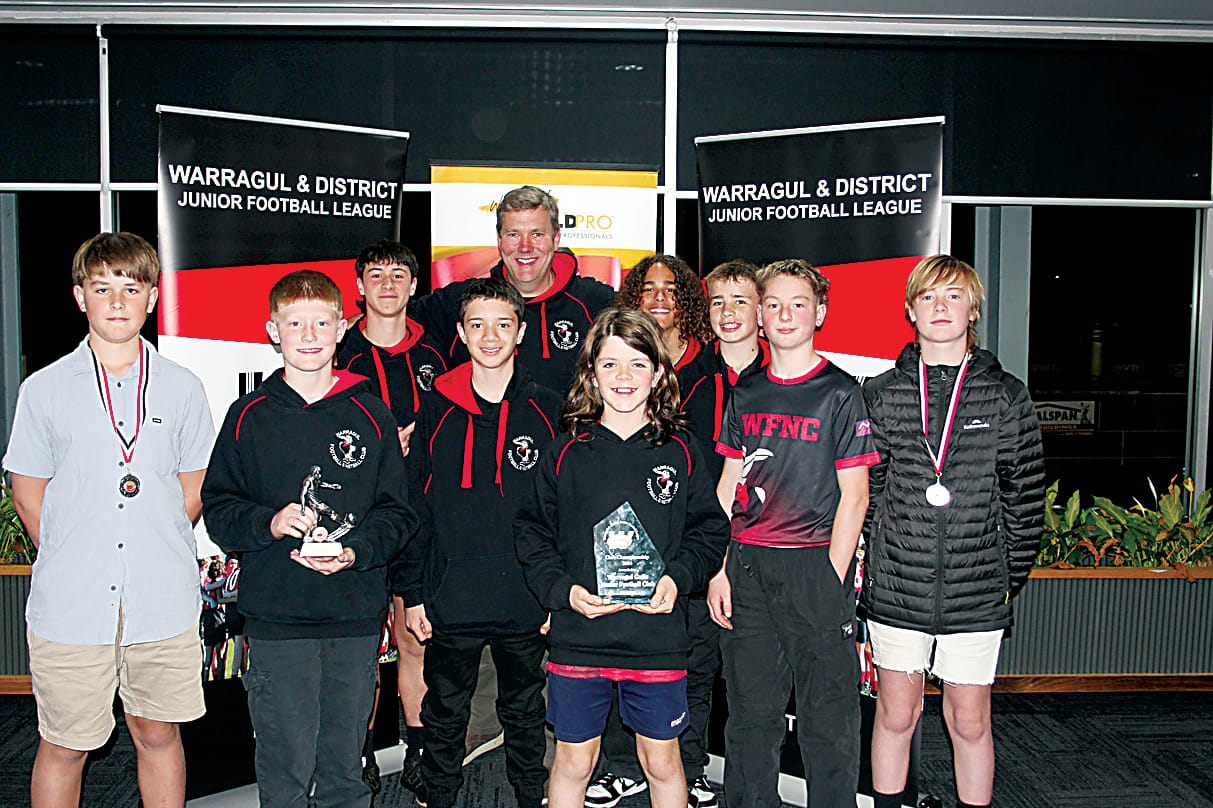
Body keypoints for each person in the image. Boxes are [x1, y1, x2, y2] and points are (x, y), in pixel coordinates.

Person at [3, 232, 215, 808]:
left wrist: (153, 538)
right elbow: (27, 492)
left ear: (151, 296)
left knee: (158, 733)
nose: (117, 301)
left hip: (161, 602)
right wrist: (78, 554)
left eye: (130, 287)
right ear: (80, 298)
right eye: (103, 289)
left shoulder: (183, 386)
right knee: (64, 745)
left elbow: (193, 484)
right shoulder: (42, 390)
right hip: (72, 607)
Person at [201, 269, 416, 808]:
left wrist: (356, 550)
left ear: (343, 327)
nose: (310, 334)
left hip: (353, 614)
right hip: (278, 619)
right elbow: (220, 509)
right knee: (284, 764)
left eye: (322, 322)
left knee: (345, 765)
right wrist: (268, 524)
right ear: (273, 330)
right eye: (296, 323)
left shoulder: (370, 413)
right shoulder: (248, 415)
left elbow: (397, 512)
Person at [516, 307, 730, 808]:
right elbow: (531, 531)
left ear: (658, 372)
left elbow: (708, 529)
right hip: (581, 636)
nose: (624, 377)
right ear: (591, 374)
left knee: (662, 763)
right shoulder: (565, 451)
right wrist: (562, 592)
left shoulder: (681, 449)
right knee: (573, 763)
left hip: (655, 638)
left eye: (637, 364)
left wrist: (678, 580)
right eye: (609, 365)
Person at [862, 255, 1045, 808]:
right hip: (898, 586)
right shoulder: (884, 391)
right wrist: (878, 560)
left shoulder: (1006, 395)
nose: (941, 308)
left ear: (974, 310)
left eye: (954, 297)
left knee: (969, 721)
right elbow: (867, 487)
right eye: (928, 297)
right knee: (897, 714)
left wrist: (1004, 576)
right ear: (910, 311)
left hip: (977, 590)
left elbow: (1026, 496)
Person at [708, 258, 879, 808]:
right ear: (760, 315)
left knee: (829, 721)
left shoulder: (841, 392)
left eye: (798, 304)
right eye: (774, 303)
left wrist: (831, 575)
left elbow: (856, 494)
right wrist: (718, 567)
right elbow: (728, 484)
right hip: (748, 568)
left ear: (820, 314)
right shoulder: (747, 391)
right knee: (750, 716)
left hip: (815, 566)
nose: (785, 314)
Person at [396, 276, 560, 808]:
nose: (490, 336)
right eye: (477, 325)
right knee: (445, 713)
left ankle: (531, 798)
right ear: (462, 334)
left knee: (525, 712)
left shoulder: (549, 410)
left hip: (526, 597)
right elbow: (414, 507)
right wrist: (414, 593)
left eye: (502, 324)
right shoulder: (435, 409)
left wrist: (556, 594)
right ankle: (439, 797)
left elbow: (564, 514)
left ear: (521, 333)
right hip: (451, 593)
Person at [337, 239, 448, 796]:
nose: (387, 284)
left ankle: (417, 747)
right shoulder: (338, 350)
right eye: (375, 274)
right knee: (359, 641)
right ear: (359, 286)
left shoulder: (436, 351)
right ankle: (355, 750)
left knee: (413, 637)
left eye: (398, 274)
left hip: (416, 516)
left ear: (412, 285)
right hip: (353, 517)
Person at [672, 259, 768, 808]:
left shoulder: (784, 378)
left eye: (740, 302)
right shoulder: (685, 381)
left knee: (753, 677)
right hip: (700, 546)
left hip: (764, 546)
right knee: (695, 667)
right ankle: (691, 769)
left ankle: (750, 781)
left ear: (760, 310)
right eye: (718, 303)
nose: (728, 314)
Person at [411, 185, 615, 394]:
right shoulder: (460, 302)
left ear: (556, 239)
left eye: (536, 234)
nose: (525, 247)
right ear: (499, 241)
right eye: (513, 235)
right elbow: (390, 328)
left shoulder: (597, 303)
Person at [615, 254, 711, 372]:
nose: (659, 296)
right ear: (634, 299)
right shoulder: (619, 357)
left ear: (687, 298)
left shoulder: (707, 361)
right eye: (649, 290)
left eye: (670, 290)